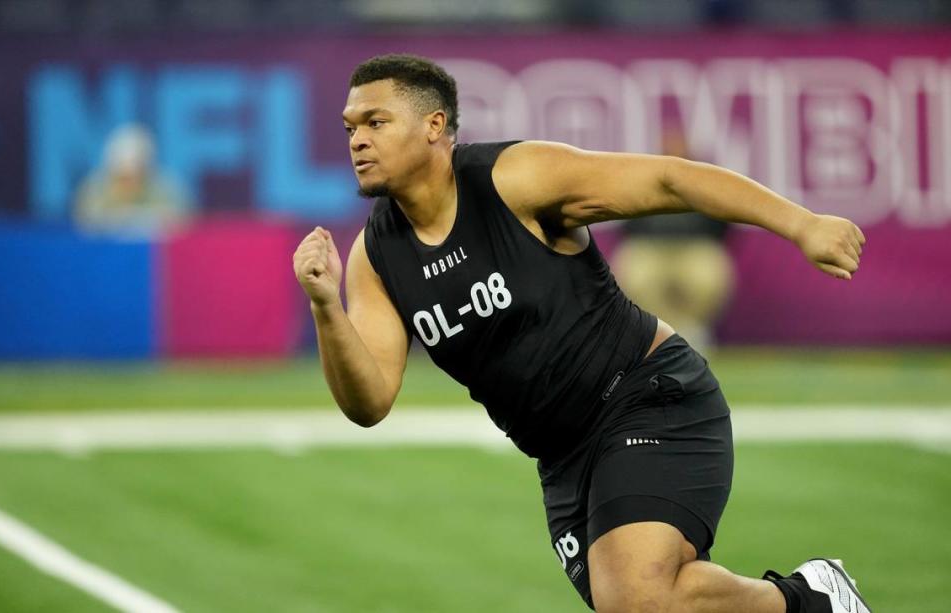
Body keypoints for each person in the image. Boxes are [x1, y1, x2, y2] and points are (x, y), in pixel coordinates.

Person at [293, 54, 870, 613]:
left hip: (647, 397)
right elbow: (368, 403)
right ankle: (812, 601)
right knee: (653, 603)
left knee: (638, 599)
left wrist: (802, 223)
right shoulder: (376, 256)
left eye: (375, 122)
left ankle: (811, 598)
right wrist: (326, 306)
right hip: (563, 460)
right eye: (350, 128)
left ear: (433, 126)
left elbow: (669, 180)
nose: (357, 140)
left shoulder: (514, 179)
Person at [611, 126, 734, 354]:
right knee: (637, 272)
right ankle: (656, 333)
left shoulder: (706, 183)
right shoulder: (641, 182)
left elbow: (723, 225)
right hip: (651, 248)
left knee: (706, 272)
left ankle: (691, 330)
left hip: (693, 247)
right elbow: (625, 223)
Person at [74, 123, 190, 236]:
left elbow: (180, 221)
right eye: (123, 177)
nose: (130, 183)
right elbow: (86, 223)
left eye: (137, 173)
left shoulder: (166, 188)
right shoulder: (95, 190)